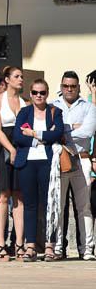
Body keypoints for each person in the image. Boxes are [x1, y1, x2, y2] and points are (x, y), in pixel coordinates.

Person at [13, 79, 64, 261]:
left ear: (47, 93)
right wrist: (42, 138)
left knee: (49, 204)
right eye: (35, 92)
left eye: (42, 93)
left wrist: (34, 134)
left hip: (47, 162)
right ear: (31, 93)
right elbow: (17, 136)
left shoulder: (55, 112)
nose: (38, 96)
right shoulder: (24, 112)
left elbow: (57, 133)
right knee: (30, 204)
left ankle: (50, 246)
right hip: (28, 162)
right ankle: (31, 246)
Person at [52, 71, 96, 260]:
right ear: (61, 87)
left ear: (78, 87)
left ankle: (87, 249)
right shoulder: (53, 106)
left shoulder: (89, 107)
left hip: (81, 158)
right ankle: (58, 248)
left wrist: (64, 130)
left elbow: (88, 131)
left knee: (84, 207)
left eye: (73, 86)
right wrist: (73, 127)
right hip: (60, 160)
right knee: (59, 206)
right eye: (66, 86)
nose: (69, 89)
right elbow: (52, 131)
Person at [0, 66, 26, 261]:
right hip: (3, 148)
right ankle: (0, 242)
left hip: (21, 147)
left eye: (21, 77)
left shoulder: (24, 102)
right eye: (17, 76)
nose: (20, 79)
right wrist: (11, 149)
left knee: (19, 196)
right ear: (7, 80)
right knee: (3, 196)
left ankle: (19, 242)